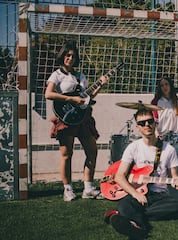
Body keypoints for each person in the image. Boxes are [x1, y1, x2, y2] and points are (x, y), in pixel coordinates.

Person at [104, 108, 178, 240]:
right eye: (142, 123)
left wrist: (177, 183)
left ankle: (126, 217)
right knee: (126, 202)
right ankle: (139, 228)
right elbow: (120, 176)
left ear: (155, 123)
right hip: (138, 192)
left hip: (160, 196)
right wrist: (135, 194)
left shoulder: (169, 149)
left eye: (150, 121)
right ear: (138, 127)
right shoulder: (133, 147)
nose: (147, 125)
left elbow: (174, 176)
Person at [45, 41, 108, 201]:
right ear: (62, 56)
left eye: (73, 56)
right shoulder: (57, 75)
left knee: (92, 151)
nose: (70, 58)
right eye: (68, 55)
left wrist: (100, 85)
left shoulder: (80, 76)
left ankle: (88, 188)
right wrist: (70, 98)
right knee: (67, 154)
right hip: (66, 118)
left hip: (83, 118)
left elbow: (87, 97)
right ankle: (67, 189)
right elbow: (48, 94)